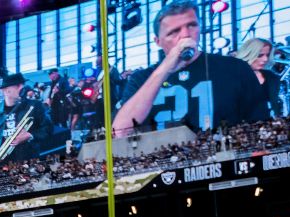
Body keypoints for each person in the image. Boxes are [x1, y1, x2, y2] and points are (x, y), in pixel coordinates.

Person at [112, 1, 269, 136]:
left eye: (192, 25)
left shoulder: (235, 68)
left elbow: (260, 123)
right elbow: (120, 131)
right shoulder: (141, 79)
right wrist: (166, 67)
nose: (186, 35)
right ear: (158, 41)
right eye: (174, 32)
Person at [0, 73, 52, 171]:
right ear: (6, 91)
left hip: (27, 159)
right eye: (17, 85)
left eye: (22, 84)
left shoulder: (35, 106)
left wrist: (29, 135)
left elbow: (48, 129)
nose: (22, 87)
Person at [233, 37, 280, 117]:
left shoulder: (272, 77)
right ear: (248, 54)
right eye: (260, 55)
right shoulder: (233, 78)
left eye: (267, 55)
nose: (265, 59)